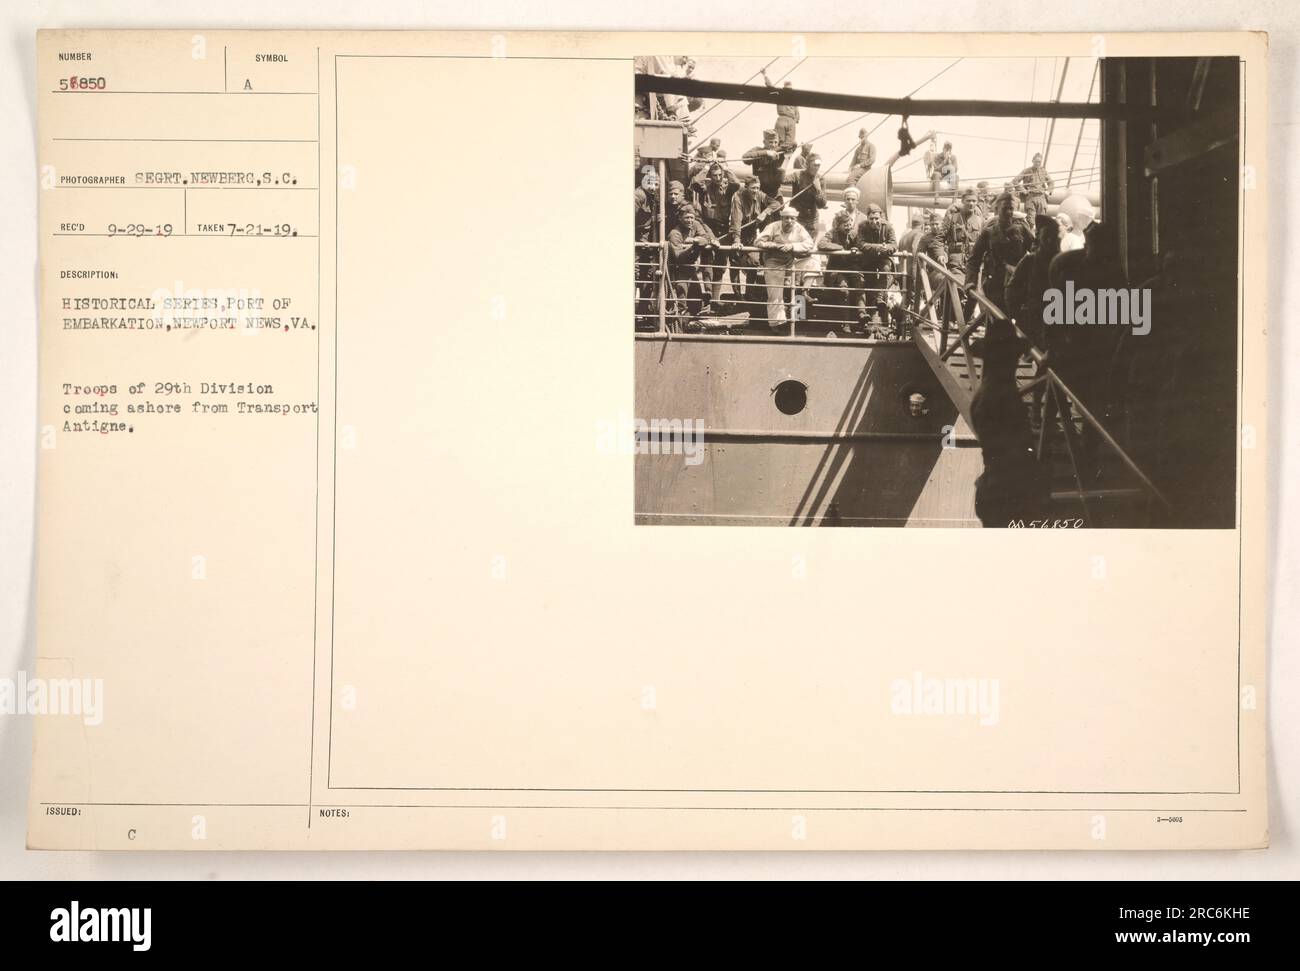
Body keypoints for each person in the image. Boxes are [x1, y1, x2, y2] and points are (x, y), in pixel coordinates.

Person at [967, 192, 1031, 338]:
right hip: (995, 284)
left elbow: (1036, 253)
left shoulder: (1022, 230)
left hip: (1017, 284)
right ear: (997, 209)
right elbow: (974, 259)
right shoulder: (989, 232)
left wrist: (1023, 270)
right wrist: (970, 282)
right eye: (1005, 209)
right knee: (996, 321)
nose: (1009, 212)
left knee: (1020, 322)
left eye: (1011, 209)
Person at [754, 207, 817, 331]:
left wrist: (792, 246)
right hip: (774, 261)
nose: (789, 221)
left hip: (791, 261)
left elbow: (809, 243)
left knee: (813, 262)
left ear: (795, 219)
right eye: (786, 218)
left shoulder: (798, 228)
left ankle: (805, 293)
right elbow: (758, 241)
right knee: (775, 293)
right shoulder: (773, 227)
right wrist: (773, 245)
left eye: (792, 218)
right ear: (781, 218)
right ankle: (776, 324)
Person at [729, 175, 781, 296]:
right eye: (753, 188)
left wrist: (765, 212)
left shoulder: (760, 195)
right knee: (735, 264)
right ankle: (737, 296)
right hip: (736, 233)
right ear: (746, 187)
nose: (755, 191)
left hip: (751, 234)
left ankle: (749, 294)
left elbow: (776, 203)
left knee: (753, 262)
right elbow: (736, 221)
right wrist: (736, 240)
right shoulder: (738, 197)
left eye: (757, 188)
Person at [692, 163, 737, 302]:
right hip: (707, 227)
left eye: (720, 175)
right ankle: (708, 295)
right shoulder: (705, 188)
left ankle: (715, 300)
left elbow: (736, 183)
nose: (718, 178)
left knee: (721, 265)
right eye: (715, 175)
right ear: (710, 176)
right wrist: (705, 168)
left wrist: (727, 169)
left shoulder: (728, 189)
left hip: (723, 229)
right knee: (707, 262)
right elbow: (695, 182)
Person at [666, 205, 719, 322]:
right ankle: (677, 327)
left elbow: (705, 237)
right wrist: (694, 246)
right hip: (677, 269)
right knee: (681, 299)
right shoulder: (675, 233)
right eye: (687, 218)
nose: (690, 220)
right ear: (680, 218)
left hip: (690, 270)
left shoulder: (695, 225)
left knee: (696, 302)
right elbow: (678, 257)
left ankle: (686, 323)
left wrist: (697, 241)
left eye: (692, 217)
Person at [817, 210, 865, 324]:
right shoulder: (832, 233)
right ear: (838, 226)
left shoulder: (853, 234)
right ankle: (846, 323)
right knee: (844, 290)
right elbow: (821, 244)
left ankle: (862, 313)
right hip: (837, 270)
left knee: (860, 283)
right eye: (845, 225)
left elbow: (861, 244)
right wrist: (839, 248)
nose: (848, 227)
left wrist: (856, 248)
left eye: (849, 224)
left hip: (852, 268)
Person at [855, 203, 897, 325]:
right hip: (869, 259)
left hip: (884, 257)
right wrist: (878, 247)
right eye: (871, 219)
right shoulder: (862, 226)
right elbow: (861, 244)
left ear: (881, 217)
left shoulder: (888, 226)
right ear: (867, 218)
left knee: (885, 269)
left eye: (877, 218)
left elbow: (894, 245)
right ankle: (871, 315)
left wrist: (885, 249)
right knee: (870, 282)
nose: (874, 221)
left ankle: (879, 298)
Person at [940, 188, 985, 281]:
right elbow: (939, 238)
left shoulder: (980, 220)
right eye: (968, 200)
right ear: (962, 201)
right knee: (957, 285)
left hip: (975, 262)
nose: (971, 203)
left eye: (974, 201)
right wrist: (940, 254)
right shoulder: (952, 218)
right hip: (956, 262)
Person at [1013, 153, 1055, 233]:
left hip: (1042, 198)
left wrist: (1048, 191)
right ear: (1032, 161)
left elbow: (1051, 182)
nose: (1038, 163)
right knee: (1030, 221)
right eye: (1036, 161)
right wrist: (1023, 190)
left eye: (1039, 162)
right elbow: (1015, 181)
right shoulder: (1027, 171)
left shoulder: (1043, 171)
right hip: (1031, 198)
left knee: (1042, 221)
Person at [789, 152, 827, 239]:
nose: (817, 168)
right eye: (815, 165)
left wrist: (818, 189)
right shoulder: (798, 175)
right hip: (797, 217)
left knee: (811, 244)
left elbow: (822, 205)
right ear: (807, 164)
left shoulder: (821, 179)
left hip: (812, 219)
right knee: (795, 243)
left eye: (819, 165)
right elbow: (782, 179)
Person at [743, 129, 789, 197]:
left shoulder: (779, 153)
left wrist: (780, 150)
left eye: (776, 142)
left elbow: (793, 144)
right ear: (764, 142)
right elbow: (745, 158)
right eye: (770, 142)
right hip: (759, 194)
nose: (773, 145)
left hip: (775, 194)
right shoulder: (758, 150)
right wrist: (766, 153)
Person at [762, 69, 800, 151]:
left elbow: (797, 112)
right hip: (784, 119)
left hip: (789, 120)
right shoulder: (782, 96)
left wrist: (795, 120)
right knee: (780, 142)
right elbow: (770, 87)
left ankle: (780, 152)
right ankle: (776, 153)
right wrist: (765, 75)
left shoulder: (790, 98)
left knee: (789, 143)